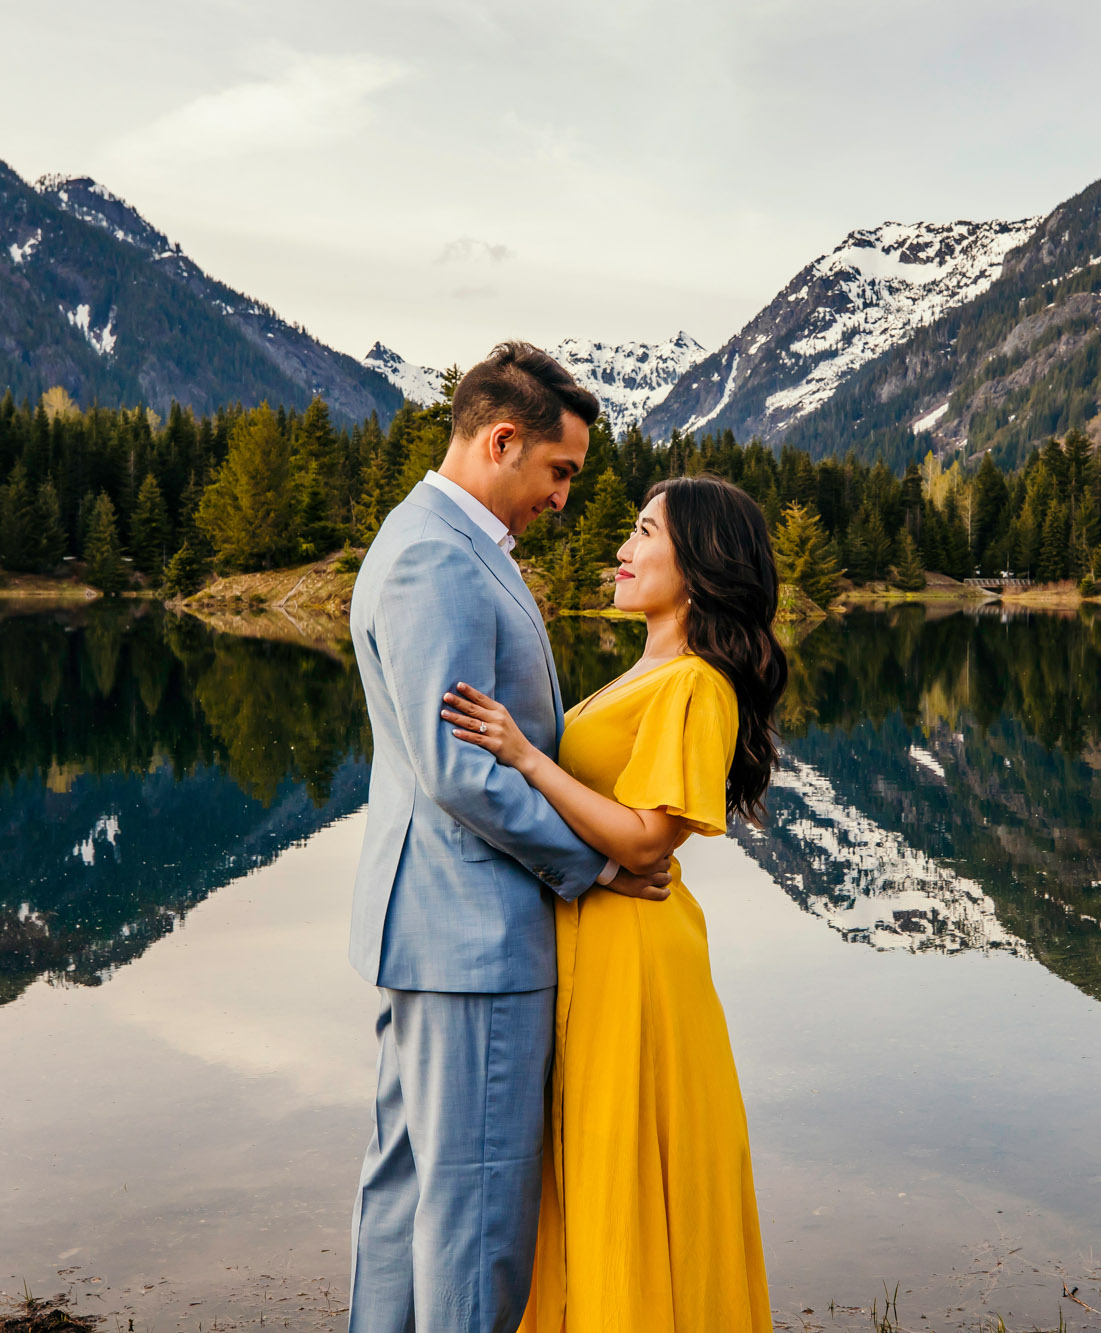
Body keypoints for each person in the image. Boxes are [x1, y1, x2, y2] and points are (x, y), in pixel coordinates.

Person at [346, 341, 672, 1333]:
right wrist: (598, 863)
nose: (565, 497)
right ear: (499, 440)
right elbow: (458, 768)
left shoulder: (441, 544)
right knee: (476, 1220)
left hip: (435, 932)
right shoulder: (435, 559)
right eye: (559, 471)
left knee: (410, 1197)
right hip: (473, 941)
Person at [438, 473, 788, 1332]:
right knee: (592, 1160)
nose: (622, 551)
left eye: (642, 532)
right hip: (598, 945)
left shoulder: (697, 683)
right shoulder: (649, 669)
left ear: (701, 563)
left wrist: (525, 755)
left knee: (621, 1160)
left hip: (637, 958)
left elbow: (644, 839)